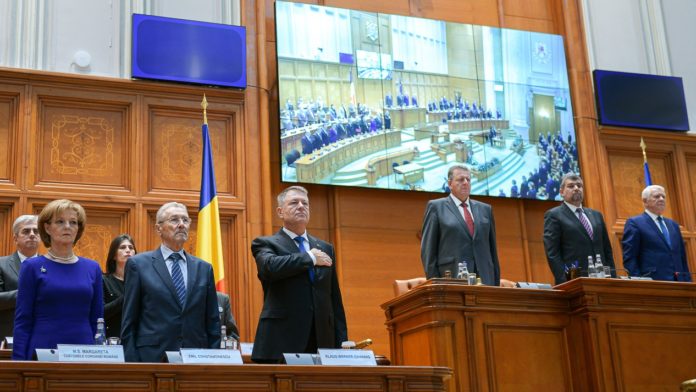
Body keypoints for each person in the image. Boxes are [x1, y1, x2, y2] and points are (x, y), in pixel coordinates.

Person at [251, 186, 348, 363]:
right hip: (282, 339)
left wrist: (342, 342)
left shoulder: (325, 248)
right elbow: (269, 268)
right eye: (294, 202)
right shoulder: (265, 243)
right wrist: (309, 257)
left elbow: (334, 298)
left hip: (322, 339)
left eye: (305, 203)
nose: (301, 206)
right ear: (280, 212)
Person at [121, 202, 220, 362]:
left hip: (196, 357)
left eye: (185, 220)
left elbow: (213, 321)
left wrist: (213, 359)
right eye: (174, 220)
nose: (181, 225)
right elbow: (129, 319)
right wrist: (132, 363)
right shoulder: (138, 265)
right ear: (158, 228)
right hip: (152, 357)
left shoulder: (204, 268)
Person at [12, 200, 103, 360]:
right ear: (47, 228)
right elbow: (23, 319)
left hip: (84, 352)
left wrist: (99, 355)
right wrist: (18, 362)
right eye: (60, 221)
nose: (67, 226)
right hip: (43, 350)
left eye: (73, 222)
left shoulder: (92, 268)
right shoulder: (31, 267)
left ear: (78, 228)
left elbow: (97, 320)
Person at [420, 165, 501, 286]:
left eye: (468, 180)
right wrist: (436, 283)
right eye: (460, 179)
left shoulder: (485, 209)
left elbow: (492, 251)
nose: (465, 183)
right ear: (450, 183)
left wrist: (495, 283)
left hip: (485, 279)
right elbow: (428, 251)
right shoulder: (436, 207)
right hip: (451, 278)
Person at [543, 173, 615, 284]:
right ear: (561, 192)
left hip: (603, 279)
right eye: (571, 186)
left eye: (579, 185)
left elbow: (607, 249)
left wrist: (612, 276)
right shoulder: (554, 215)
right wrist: (565, 280)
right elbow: (552, 253)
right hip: (574, 281)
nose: (576, 188)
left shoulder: (596, 215)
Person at [622, 185, 691, 281]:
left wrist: (687, 281)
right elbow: (630, 257)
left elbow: (682, 257)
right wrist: (639, 281)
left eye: (663, 196)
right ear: (645, 201)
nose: (661, 199)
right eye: (657, 196)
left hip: (679, 282)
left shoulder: (673, 225)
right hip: (653, 282)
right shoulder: (635, 223)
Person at [0, 215, 39, 338]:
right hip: (9, 336)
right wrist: (28, 292)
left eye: (36, 231)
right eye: (26, 231)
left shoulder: (51, 265)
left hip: (43, 337)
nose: (32, 234)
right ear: (15, 238)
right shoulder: (2, 264)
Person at [102, 234, 137, 339]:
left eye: (131, 248)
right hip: (113, 340)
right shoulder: (104, 280)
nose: (128, 250)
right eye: (122, 247)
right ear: (114, 255)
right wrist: (128, 296)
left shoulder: (142, 281)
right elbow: (101, 312)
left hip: (137, 340)